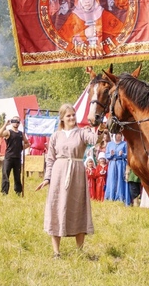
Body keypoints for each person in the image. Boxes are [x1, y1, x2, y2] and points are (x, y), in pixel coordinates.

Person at [35, 103, 101, 258]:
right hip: (59, 173)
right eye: (68, 115)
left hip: (76, 172)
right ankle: (56, 252)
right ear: (62, 118)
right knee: (57, 207)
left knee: (78, 208)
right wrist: (47, 178)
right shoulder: (55, 136)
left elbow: (95, 140)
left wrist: (98, 127)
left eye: (73, 115)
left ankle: (79, 251)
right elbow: (50, 159)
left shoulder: (82, 132)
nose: (72, 117)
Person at [57, 0, 124, 57]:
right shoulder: (73, 17)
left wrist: (99, 31)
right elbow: (62, 41)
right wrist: (83, 34)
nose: (87, 1)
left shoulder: (104, 14)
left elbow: (121, 34)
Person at [0, 116, 30, 196]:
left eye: (18, 121)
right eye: (14, 121)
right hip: (9, 157)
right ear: (12, 122)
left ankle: (18, 191)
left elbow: (27, 143)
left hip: (17, 158)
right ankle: (4, 192)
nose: (16, 123)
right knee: (5, 175)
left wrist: (21, 148)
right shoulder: (8, 132)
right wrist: (5, 124)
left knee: (17, 176)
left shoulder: (21, 133)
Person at [104, 133, 130, 204]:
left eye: (120, 135)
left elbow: (128, 155)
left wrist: (123, 154)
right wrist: (111, 154)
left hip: (121, 164)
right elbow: (106, 155)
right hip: (112, 164)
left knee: (120, 179)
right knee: (111, 179)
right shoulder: (109, 144)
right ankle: (111, 196)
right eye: (117, 135)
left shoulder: (124, 144)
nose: (119, 136)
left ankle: (121, 197)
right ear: (114, 136)